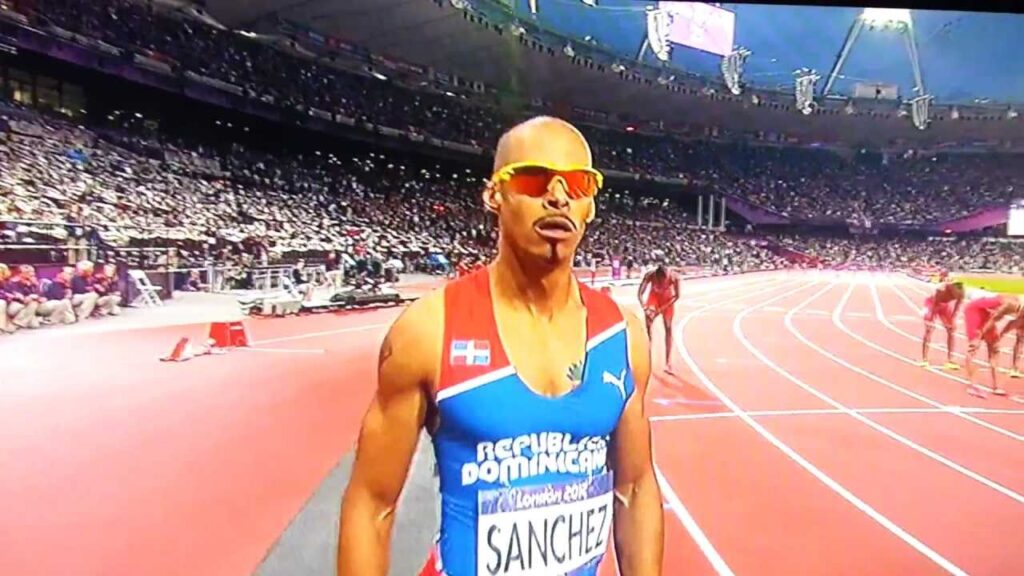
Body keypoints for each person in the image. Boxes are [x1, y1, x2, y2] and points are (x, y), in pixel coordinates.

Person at [338, 116, 664, 576]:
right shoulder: (430, 330)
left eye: (578, 183)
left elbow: (635, 487)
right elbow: (372, 503)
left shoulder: (624, 336)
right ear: (494, 194)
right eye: (533, 179)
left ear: (590, 205)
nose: (558, 195)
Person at [964, 294, 1024, 398]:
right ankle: (972, 385)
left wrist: (1000, 336)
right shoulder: (1011, 304)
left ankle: (996, 386)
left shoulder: (1020, 309)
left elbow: (1012, 323)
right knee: (974, 346)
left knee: (995, 348)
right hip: (975, 310)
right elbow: (994, 319)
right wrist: (980, 335)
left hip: (988, 313)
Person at [637, 263, 681, 373]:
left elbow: (677, 296)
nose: (661, 284)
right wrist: (644, 307)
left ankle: (668, 362)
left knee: (668, 328)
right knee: (648, 324)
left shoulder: (673, 277)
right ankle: (646, 357)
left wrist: (663, 308)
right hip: (654, 298)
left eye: (663, 281)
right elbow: (640, 293)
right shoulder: (650, 275)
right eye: (660, 281)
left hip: (667, 300)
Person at [918, 281, 965, 369]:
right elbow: (935, 303)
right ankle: (924, 359)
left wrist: (951, 320)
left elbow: (957, 307)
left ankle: (950, 360)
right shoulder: (942, 289)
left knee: (951, 330)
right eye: (955, 293)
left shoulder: (962, 292)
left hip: (944, 305)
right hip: (932, 303)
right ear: (952, 287)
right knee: (929, 329)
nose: (955, 296)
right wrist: (931, 320)